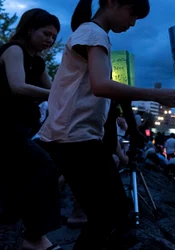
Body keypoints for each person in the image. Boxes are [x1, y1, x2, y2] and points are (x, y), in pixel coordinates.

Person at [36, 0, 175, 249]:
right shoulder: (92, 33)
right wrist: (156, 94)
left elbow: (103, 90)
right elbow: (101, 86)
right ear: (112, 3)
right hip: (74, 137)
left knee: (108, 214)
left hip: (75, 136)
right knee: (112, 213)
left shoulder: (92, 33)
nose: (132, 23)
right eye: (132, 14)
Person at [0, 8, 62, 250]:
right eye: (46, 33)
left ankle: (18, 228)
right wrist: (57, 94)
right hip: (5, 128)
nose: (50, 40)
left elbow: (55, 88)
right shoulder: (14, 50)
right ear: (29, 29)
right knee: (45, 169)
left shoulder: (38, 62)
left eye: (54, 37)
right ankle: (34, 237)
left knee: (20, 177)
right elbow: (18, 86)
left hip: (20, 129)